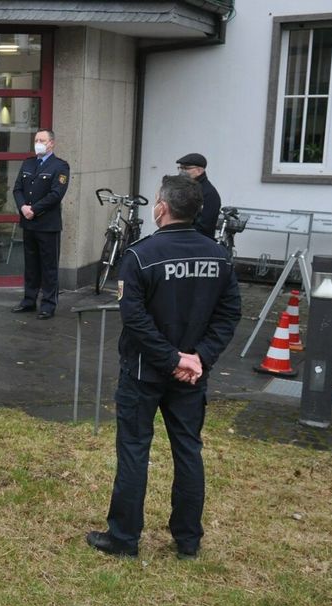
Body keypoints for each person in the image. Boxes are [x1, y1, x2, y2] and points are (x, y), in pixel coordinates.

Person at [86, 174, 241, 560]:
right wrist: (197, 358)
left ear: (163, 208)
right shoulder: (218, 255)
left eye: (156, 201)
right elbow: (229, 314)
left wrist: (178, 360)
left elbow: (135, 320)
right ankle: (187, 541)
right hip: (190, 373)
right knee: (188, 450)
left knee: (135, 451)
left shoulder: (140, 255)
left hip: (144, 372)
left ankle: (124, 538)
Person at [11, 128, 69, 320]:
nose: (38, 143)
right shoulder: (28, 163)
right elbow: (18, 188)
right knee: (31, 265)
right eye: (36, 140)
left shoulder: (60, 166)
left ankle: (48, 305)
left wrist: (34, 209)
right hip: (28, 223)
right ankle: (29, 300)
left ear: (51, 143)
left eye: (42, 140)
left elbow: (56, 194)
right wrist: (23, 208)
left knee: (49, 266)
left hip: (47, 225)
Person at [176, 153, 222, 240]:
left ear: (199, 171)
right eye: (180, 168)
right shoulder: (184, 187)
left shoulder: (209, 193)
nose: (181, 172)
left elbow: (204, 227)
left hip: (196, 243)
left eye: (186, 168)